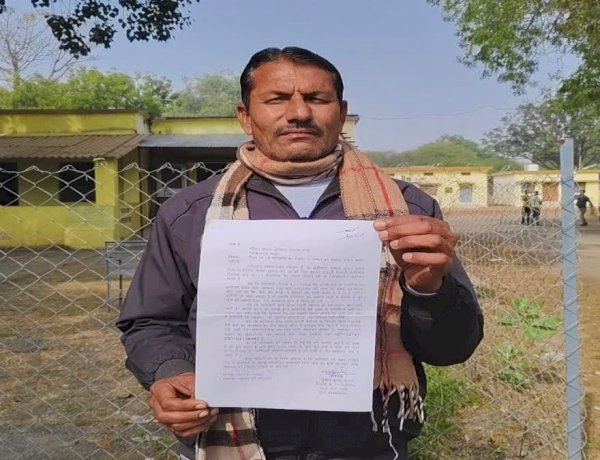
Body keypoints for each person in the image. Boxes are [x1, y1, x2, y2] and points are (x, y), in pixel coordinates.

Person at [117, 46, 484, 460]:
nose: (298, 113)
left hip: (367, 446)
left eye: (316, 98)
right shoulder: (191, 213)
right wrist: (171, 371)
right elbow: (150, 320)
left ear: (341, 113)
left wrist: (429, 289)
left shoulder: (409, 210)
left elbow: (452, 349)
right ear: (245, 116)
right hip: (233, 439)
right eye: (277, 99)